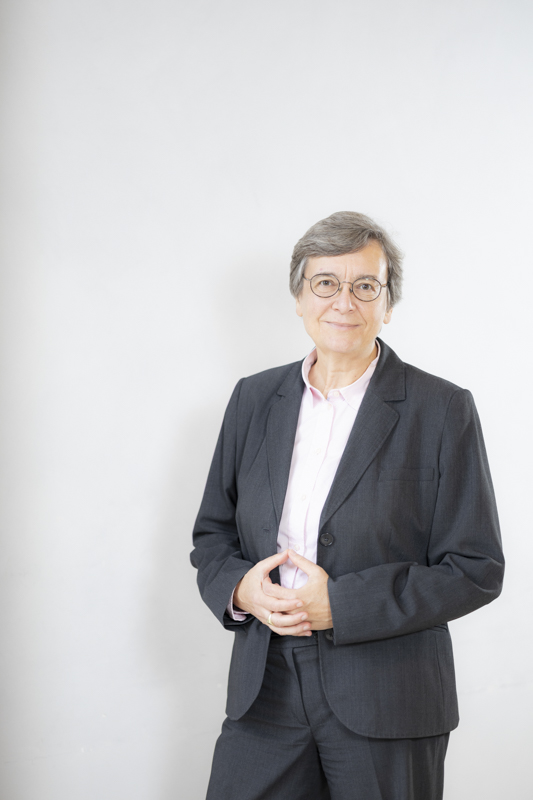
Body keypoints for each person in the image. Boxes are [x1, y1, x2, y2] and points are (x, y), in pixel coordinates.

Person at [190, 211, 504, 800]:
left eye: (365, 286)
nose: (344, 301)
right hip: (265, 689)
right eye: (326, 283)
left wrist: (342, 605)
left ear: (388, 304)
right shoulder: (253, 399)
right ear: (299, 297)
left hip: (388, 695)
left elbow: (476, 568)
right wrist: (240, 590)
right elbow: (211, 535)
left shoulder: (441, 409)